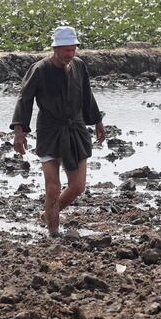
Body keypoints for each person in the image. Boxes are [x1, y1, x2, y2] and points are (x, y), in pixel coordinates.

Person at [10, 26, 106, 237]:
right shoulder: (40, 69)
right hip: (50, 131)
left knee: (78, 186)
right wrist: (19, 131)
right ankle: (54, 233)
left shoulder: (79, 66)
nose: (70, 54)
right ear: (56, 48)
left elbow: (87, 96)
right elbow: (24, 99)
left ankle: (47, 215)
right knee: (53, 187)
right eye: (66, 50)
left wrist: (97, 122)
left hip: (76, 129)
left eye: (73, 50)